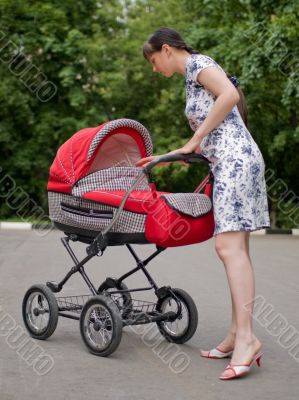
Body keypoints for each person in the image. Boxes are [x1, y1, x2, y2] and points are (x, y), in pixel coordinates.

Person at [136, 27, 270, 380]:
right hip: (231, 160)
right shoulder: (192, 76)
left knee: (229, 248)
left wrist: (196, 139)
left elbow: (228, 94)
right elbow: (218, 125)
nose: (154, 69)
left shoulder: (198, 63)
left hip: (236, 163)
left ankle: (246, 340)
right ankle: (234, 334)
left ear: (166, 50)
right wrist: (176, 153)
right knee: (235, 249)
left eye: (153, 61)